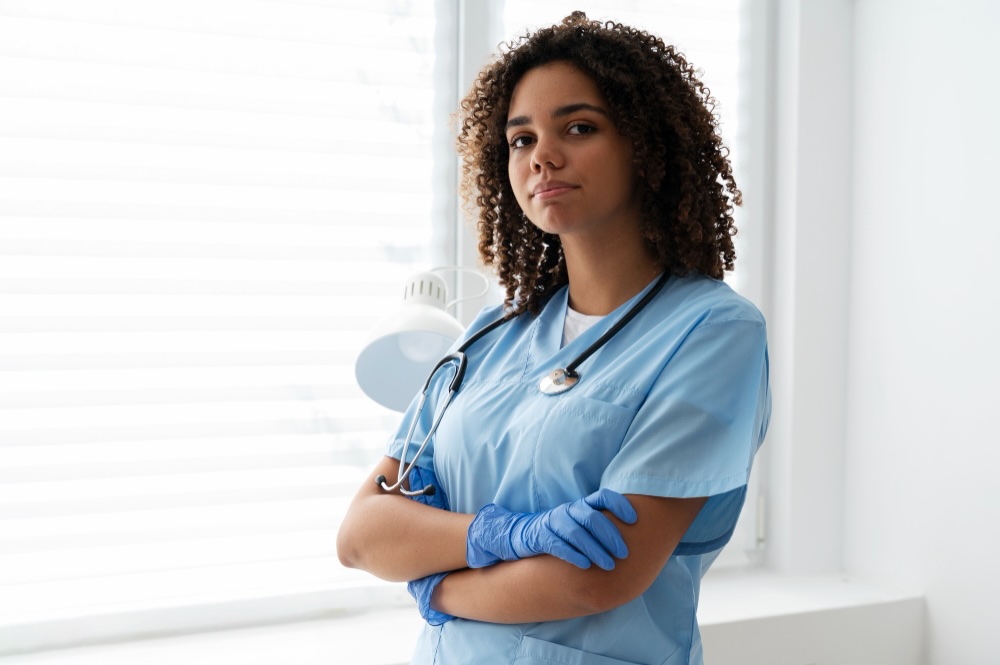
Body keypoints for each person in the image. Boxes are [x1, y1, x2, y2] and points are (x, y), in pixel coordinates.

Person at [337, 12, 771, 665]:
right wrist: (501, 536)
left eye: (579, 127)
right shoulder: (490, 337)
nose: (542, 155)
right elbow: (364, 533)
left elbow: (599, 575)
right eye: (520, 138)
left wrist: (434, 582)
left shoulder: (712, 333)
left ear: (645, 146)